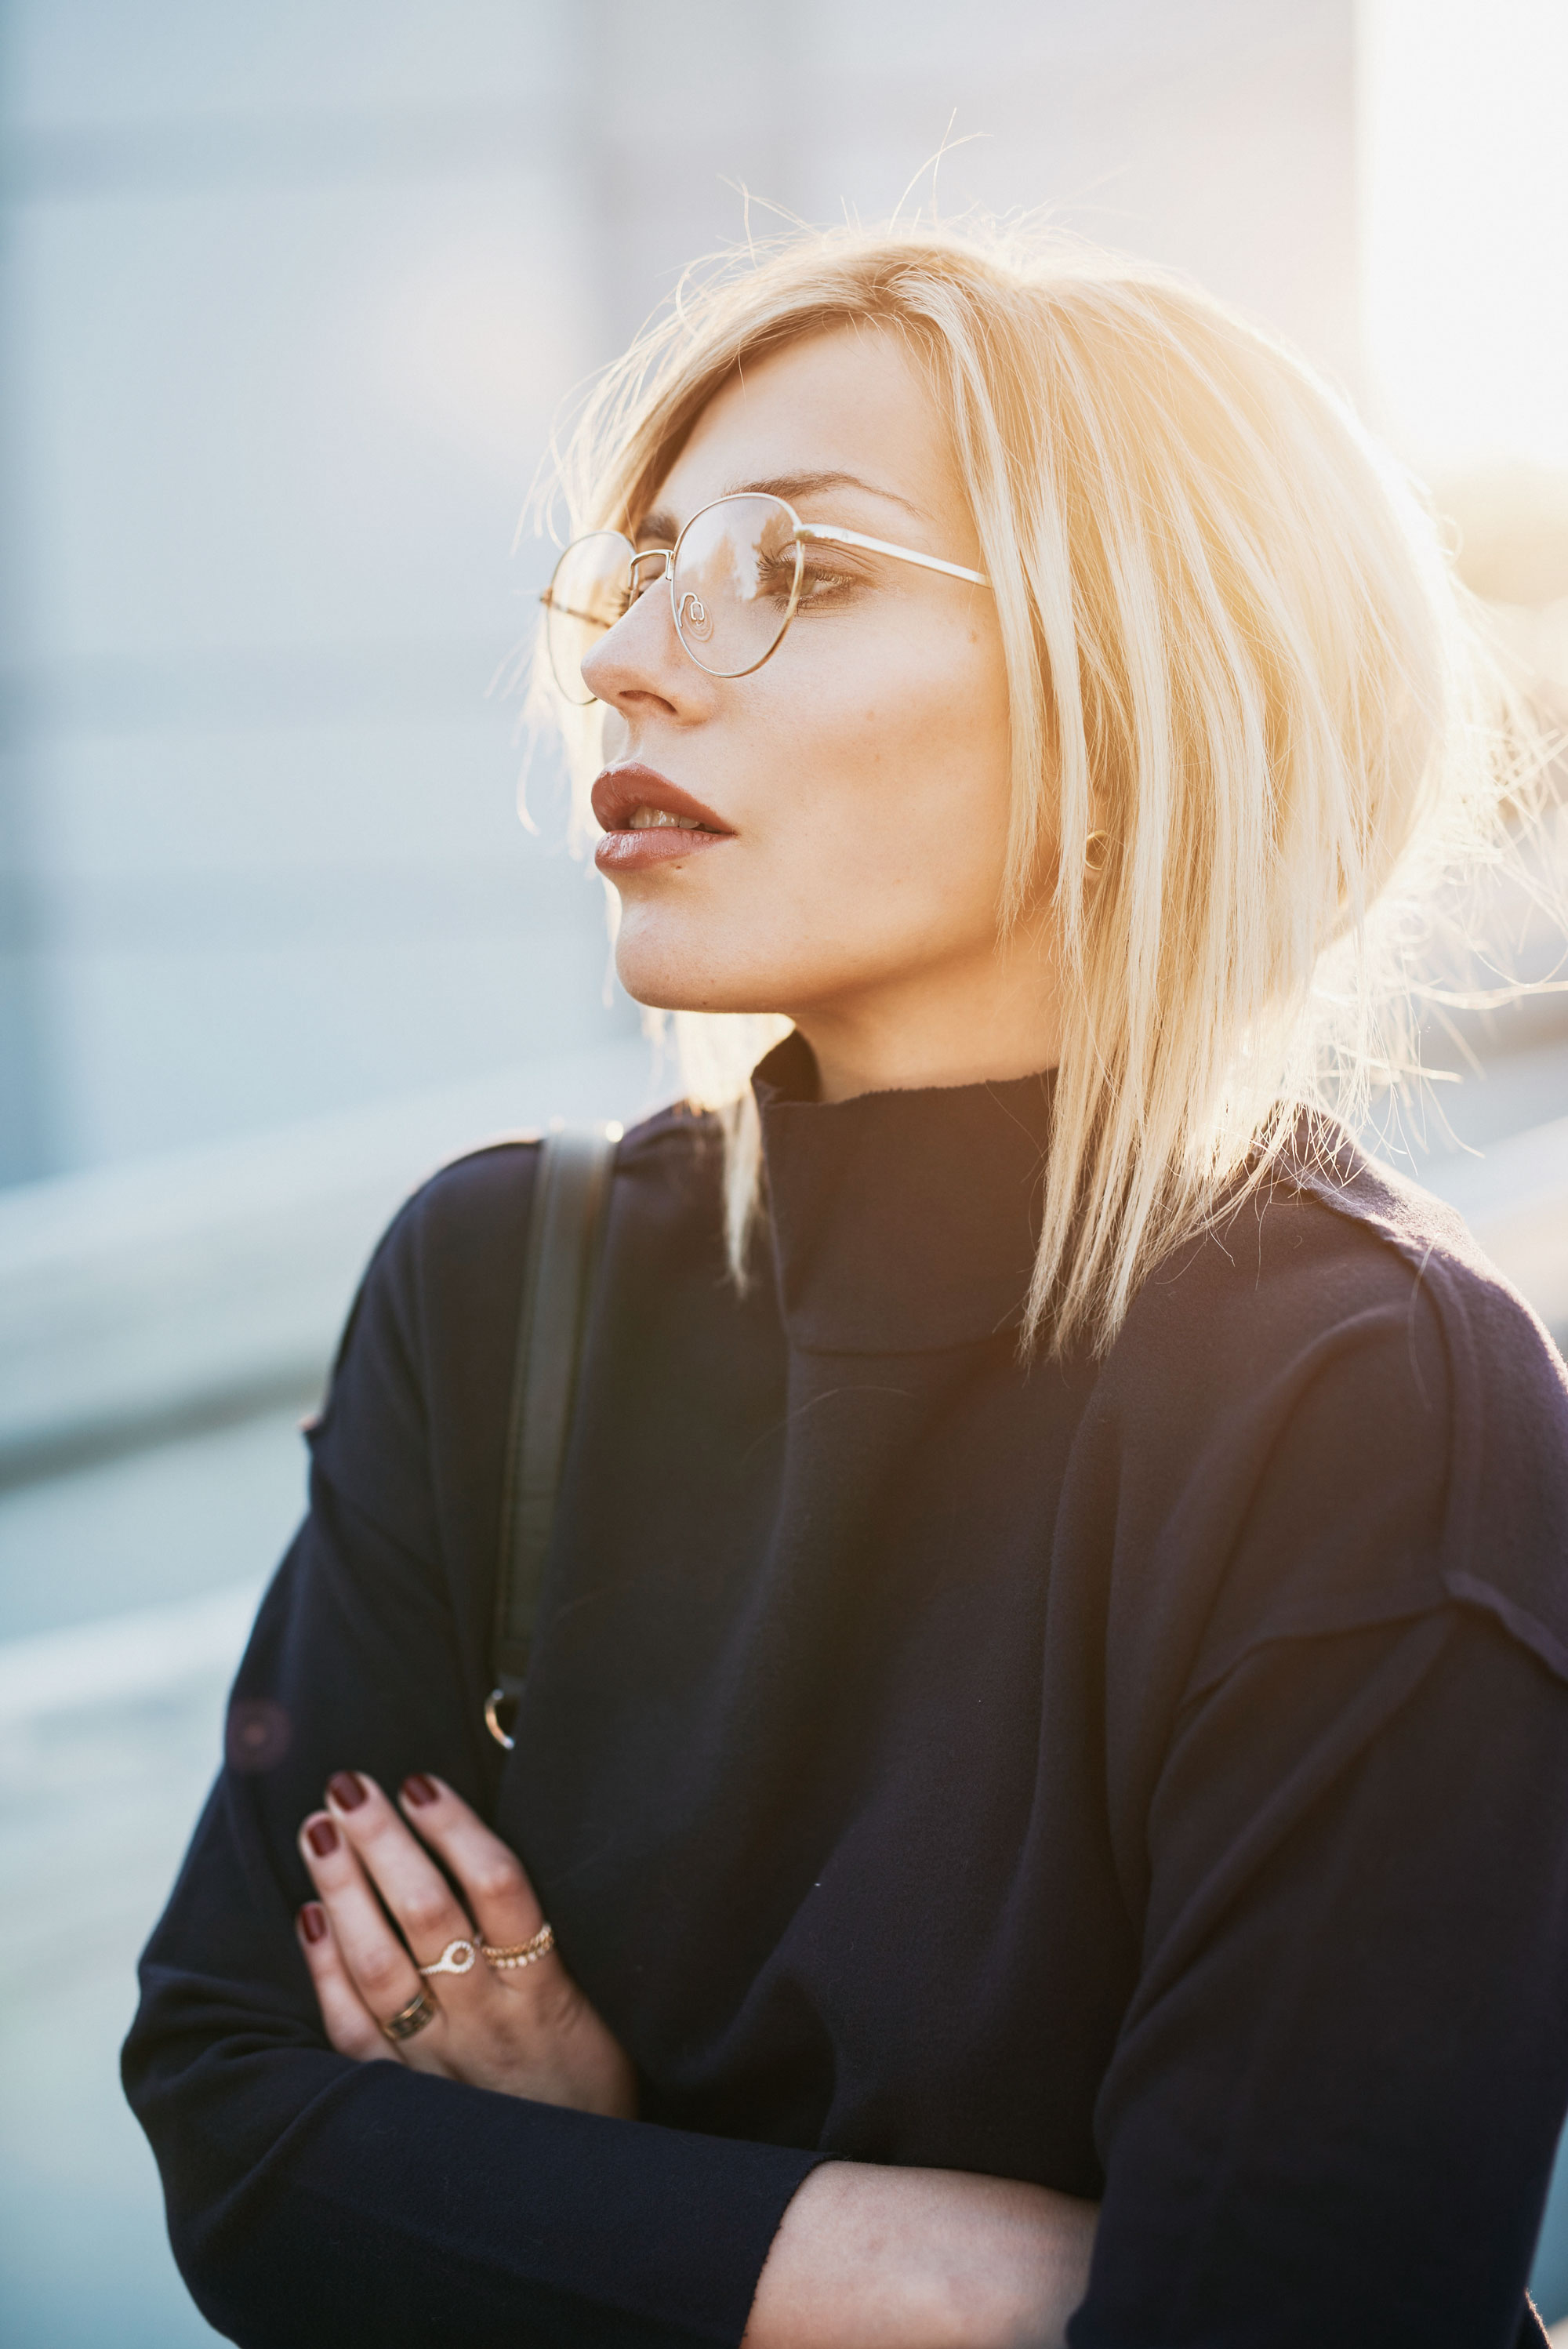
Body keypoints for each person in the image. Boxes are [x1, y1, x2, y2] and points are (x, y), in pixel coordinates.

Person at [124, 223, 1568, 2349]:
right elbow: (241, 2139)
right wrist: (978, 2272)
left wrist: (586, 2191)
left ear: (1141, 692)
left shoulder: (1366, 1403)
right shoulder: (500, 1288)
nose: (625, 659)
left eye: (791, 568)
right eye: (645, 570)